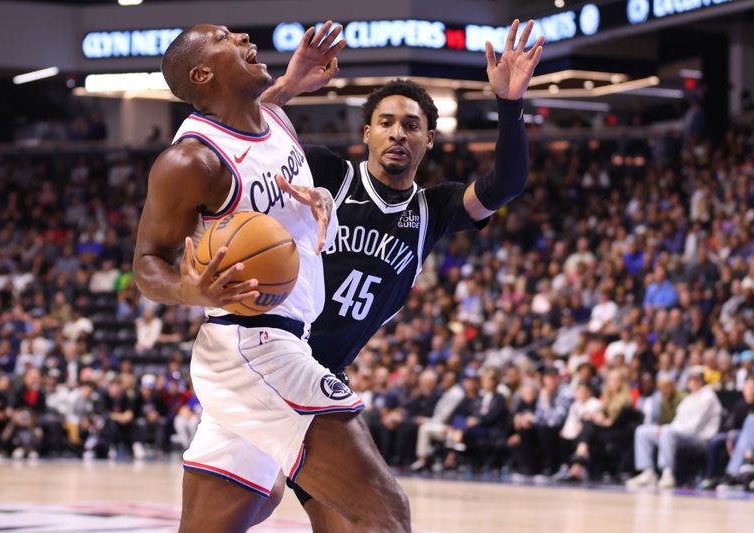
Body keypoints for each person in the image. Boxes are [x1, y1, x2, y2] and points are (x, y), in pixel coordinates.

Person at [260, 18, 543, 529]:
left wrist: (510, 104)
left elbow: (506, 183)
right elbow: (249, 142)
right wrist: (288, 86)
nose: (398, 133)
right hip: (272, 358)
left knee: (352, 524)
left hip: (320, 377)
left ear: (428, 139)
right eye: (386, 122)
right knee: (381, 517)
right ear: (366, 133)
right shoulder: (329, 173)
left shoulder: (434, 211)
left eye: (411, 125)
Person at [133, 22, 409, 532]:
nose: (240, 37)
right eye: (223, 39)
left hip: (275, 346)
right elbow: (147, 263)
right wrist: (186, 289)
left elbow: (253, 123)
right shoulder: (190, 161)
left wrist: (293, 86)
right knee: (383, 515)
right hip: (255, 349)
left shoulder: (276, 120)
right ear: (203, 72)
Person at [627, 366, 722, 489]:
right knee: (642, 431)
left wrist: (667, 429)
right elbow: (677, 422)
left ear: (703, 380)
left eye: (696, 378)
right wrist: (663, 429)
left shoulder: (708, 397)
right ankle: (647, 471)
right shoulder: (689, 398)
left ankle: (667, 473)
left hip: (701, 438)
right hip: (681, 434)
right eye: (691, 378)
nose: (693, 381)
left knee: (667, 432)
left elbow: (693, 426)